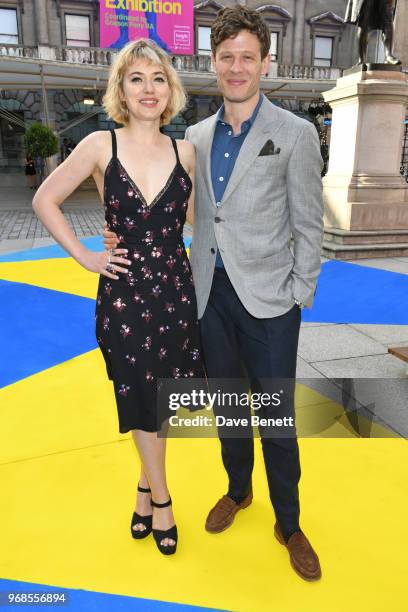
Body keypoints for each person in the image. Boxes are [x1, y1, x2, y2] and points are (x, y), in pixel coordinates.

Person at [105, 6, 324, 580]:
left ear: (264, 63)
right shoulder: (194, 139)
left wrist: (299, 292)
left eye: (246, 57)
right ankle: (237, 491)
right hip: (205, 297)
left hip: (271, 300)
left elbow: (309, 223)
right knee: (228, 406)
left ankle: (290, 522)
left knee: (275, 416)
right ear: (213, 62)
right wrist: (114, 233)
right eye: (225, 57)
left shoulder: (296, 133)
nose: (235, 67)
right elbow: (173, 207)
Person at [33, 39, 203, 556]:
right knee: (137, 396)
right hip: (124, 297)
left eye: (157, 78)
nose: (148, 89)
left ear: (169, 88)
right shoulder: (98, 146)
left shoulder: (186, 151)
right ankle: (166, 499)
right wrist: (87, 257)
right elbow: (45, 200)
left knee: (163, 403)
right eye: (136, 79)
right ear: (121, 92)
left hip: (175, 294)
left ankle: (144, 488)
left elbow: (200, 223)